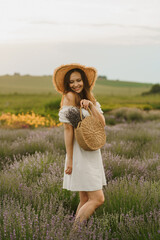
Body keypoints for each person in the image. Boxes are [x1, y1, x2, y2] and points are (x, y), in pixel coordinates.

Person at [52, 63, 107, 229]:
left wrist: (90, 105)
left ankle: (75, 234)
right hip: (79, 154)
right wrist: (70, 159)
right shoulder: (68, 97)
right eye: (71, 82)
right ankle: (74, 233)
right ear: (67, 84)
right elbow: (68, 131)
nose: (75, 84)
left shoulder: (89, 97)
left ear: (84, 81)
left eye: (78, 80)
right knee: (98, 199)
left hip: (91, 152)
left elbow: (102, 124)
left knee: (84, 199)